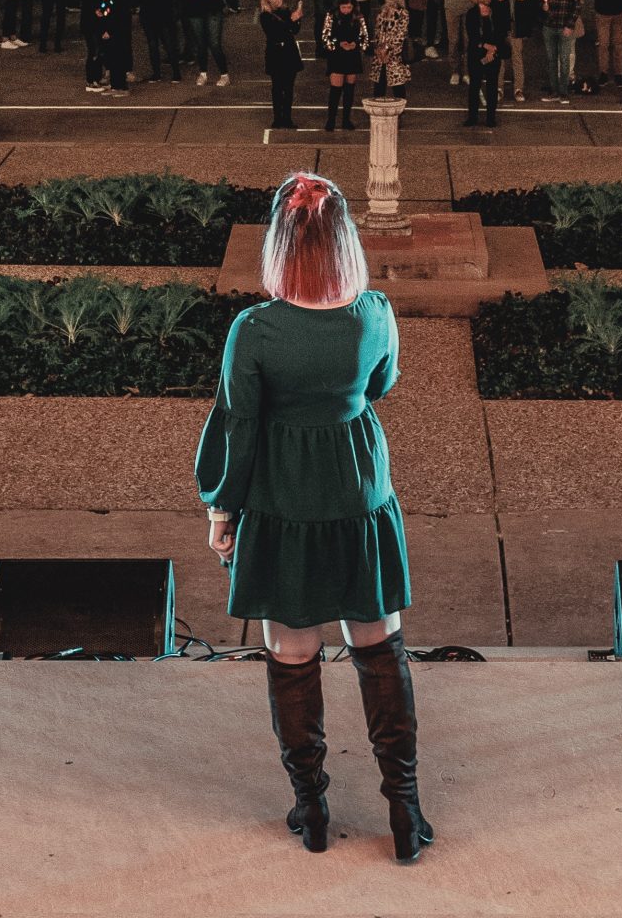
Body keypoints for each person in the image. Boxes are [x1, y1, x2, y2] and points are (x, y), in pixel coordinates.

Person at [195, 174, 429, 864]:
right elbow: (380, 385)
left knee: (292, 658)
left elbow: (238, 427)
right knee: (379, 651)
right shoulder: (375, 312)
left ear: (279, 244)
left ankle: (313, 807)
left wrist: (222, 511)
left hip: (282, 502)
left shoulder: (254, 331)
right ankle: (405, 811)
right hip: (358, 495)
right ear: (346, 242)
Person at [321, 0, 369, 133]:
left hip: (352, 56)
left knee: (349, 90)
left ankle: (346, 120)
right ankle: (331, 120)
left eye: (349, 7)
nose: (346, 10)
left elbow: (365, 37)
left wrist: (356, 44)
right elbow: (325, 37)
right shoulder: (331, 15)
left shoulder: (359, 17)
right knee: (335, 90)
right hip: (337, 56)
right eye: (344, 7)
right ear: (339, 6)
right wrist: (338, 44)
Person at [261, 0, 306, 130]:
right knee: (277, 87)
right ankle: (277, 118)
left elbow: (294, 30)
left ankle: (287, 118)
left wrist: (297, 18)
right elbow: (274, 32)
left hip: (288, 52)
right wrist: (292, 20)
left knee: (289, 87)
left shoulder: (285, 11)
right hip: (275, 53)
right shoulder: (265, 15)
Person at [460, 0, 502, 129]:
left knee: (492, 86)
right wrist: (486, 47)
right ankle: (472, 117)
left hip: (493, 54)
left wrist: (493, 49)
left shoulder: (495, 12)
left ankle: (491, 117)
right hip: (476, 54)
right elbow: (473, 35)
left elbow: (500, 33)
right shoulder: (471, 14)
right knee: (474, 86)